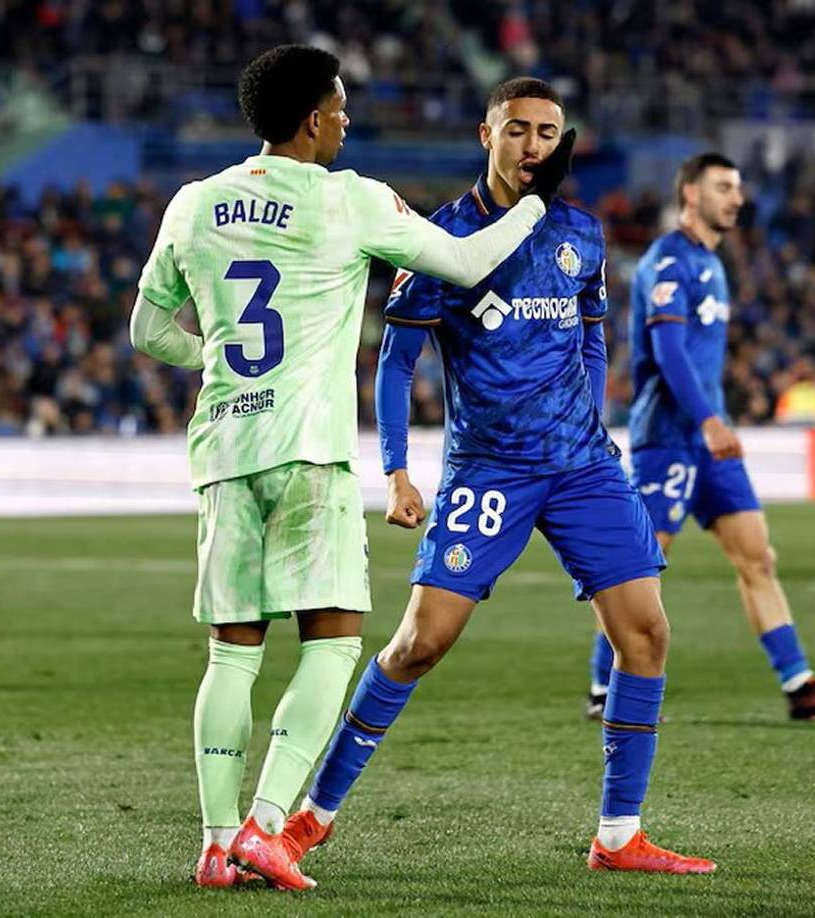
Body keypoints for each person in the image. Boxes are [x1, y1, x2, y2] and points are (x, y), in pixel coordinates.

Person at [130, 45, 572, 891]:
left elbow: (149, 332)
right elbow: (470, 261)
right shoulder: (349, 200)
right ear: (309, 119)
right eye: (338, 108)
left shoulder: (194, 204)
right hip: (307, 452)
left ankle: (215, 845)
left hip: (224, 448)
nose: (346, 120)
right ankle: (265, 826)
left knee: (232, 653)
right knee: (333, 644)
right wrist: (537, 202)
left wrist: (218, 357)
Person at [270, 77, 716, 882]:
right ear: (487, 135)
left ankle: (619, 836)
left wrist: (590, 422)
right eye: (518, 130)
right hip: (490, 472)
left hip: (581, 466)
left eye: (548, 132)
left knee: (645, 633)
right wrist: (401, 470)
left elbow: (588, 338)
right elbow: (397, 363)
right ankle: (311, 818)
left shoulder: (580, 232)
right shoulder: (437, 240)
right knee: (419, 644)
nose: (533, 145)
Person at [587, 153, 815, 723]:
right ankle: (604, 689)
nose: (736, 198)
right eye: (723, 187)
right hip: (670, 437)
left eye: (738, 188)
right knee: (640, 565)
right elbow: (669, 352)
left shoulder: (713, 265)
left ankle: (800, 685)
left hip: (708, 441)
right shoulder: (667, 259)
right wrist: (710, 420)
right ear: (690, 194)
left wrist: (713, 424)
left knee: (758, 557)